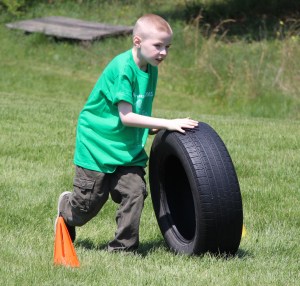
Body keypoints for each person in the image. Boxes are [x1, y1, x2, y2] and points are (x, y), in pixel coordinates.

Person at [55, 14, 198, 252]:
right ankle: (66, 210)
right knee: (87, 206)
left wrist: (153, 127)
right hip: (98, 145)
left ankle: (123, 248)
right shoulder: (123, 69)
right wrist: (167, 123)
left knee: (135, 192)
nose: (163, 52)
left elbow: (137, 110)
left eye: (167, 47)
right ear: (138, 41)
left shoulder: (150, 68)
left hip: (126, 148)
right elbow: (126, 117)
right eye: (158, 46)